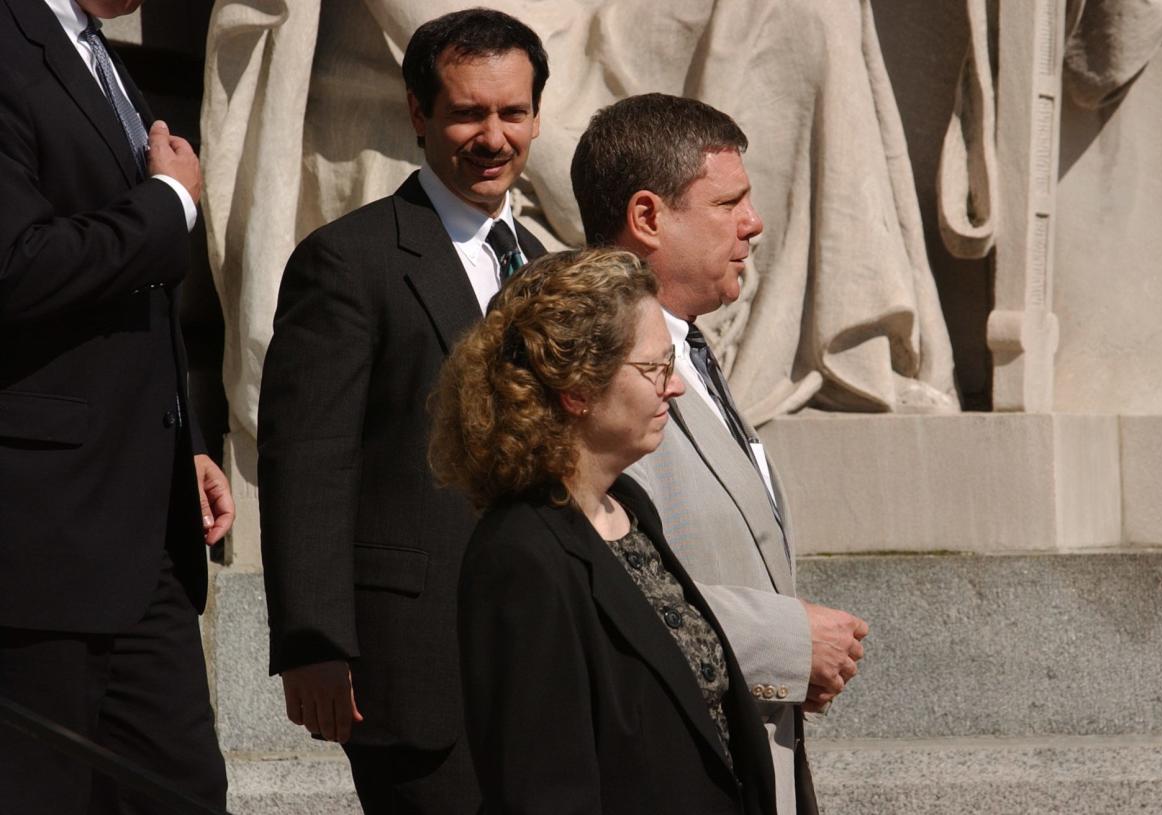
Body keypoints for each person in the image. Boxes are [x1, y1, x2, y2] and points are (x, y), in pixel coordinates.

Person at [257, 8, 547, 813]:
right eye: (468, 112)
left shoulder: (552, 272)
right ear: (419, 113)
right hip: (416, 665)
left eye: (512, 112)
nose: (493, 137)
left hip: (545, 653)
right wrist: (314, 642)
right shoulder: (349, 260)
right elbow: (309, 456)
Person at [571, 93, 870, 815]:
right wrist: (784, 641)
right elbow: (585, 583)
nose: (753, 223)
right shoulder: (592, 367)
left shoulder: (690, 347)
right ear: (648, 217)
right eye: (728, 201)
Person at [431, 247, 777, 815]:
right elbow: (543, 788)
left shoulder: (629, 508)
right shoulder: (521, 557)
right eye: (654, 367)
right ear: (578, 388)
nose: (676, 387)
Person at [0, 0, 235, 812]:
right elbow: (15, 266)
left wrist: (186, 440)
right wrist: (169, 204)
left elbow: (135, 305)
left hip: (141, 531)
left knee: (182, 789)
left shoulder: (96, 56)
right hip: (38, 538)